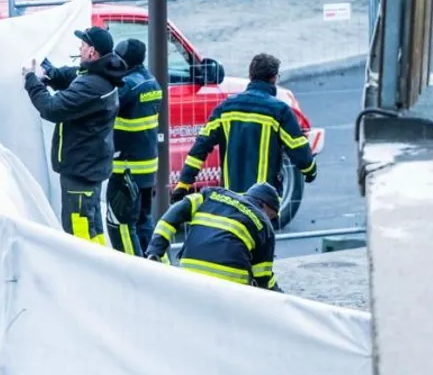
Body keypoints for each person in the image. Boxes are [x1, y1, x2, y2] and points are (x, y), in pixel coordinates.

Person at [22, 26, 129, 246]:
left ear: (92, 52)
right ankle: (100, 269)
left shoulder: (93, 84)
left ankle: (88, 275)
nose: (79, 47)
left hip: (80, 171)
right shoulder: (100, 74)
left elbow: (51, 108)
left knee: (78, 233)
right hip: (89, 166)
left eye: (83, 44)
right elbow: (72, 77)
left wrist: (31, 80)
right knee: (92, 227)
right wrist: (49, 73)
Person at [172, 53, 317, 201]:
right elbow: (298, 147)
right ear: (274, 78)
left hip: (231, 200)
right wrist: (310, 171)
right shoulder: (280, 111)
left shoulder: (225, 108)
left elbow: (200, 147)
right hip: (262, 203)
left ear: (250, 76)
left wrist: (184, 182)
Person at [144, 182, 281, 291]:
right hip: (230, 284)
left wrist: (155, 251)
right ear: (263, 205)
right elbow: (263, 281)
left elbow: (174, 213)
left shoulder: (212, 194)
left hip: (189, 272)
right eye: (272, 216)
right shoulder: (264, 225)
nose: (271, 222)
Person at [112, 38, 163, 252]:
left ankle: (134, 271)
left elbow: (102, 104)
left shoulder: (128, 86)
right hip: (147, 166)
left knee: (124, 224)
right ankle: (157, 264)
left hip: (127, 167)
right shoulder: (151, 82)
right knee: (144, 220)